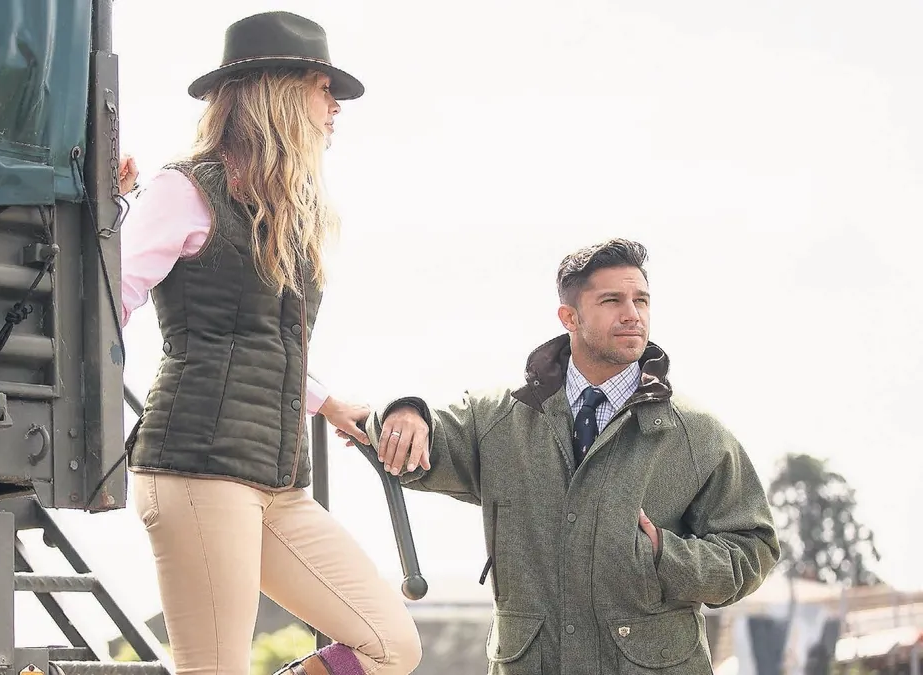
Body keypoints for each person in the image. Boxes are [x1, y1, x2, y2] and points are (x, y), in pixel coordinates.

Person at [117, 11, 422, 675]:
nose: (335, 107)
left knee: (390, 645)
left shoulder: (287, 209)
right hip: (196, 466)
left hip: (278, 477)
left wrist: (328, 402)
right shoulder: (184, 190)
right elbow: (111, 298)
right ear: (277, 91)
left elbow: (265, 337)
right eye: (323, 88)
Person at [357, 239, 780, 674]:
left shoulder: (695, 432)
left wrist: (662, 554)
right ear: (569, 317)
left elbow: (754, 549)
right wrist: (404, 412)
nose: (632, 314)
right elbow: (415, 443)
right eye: (612, 300)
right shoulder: (499, 418)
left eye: (641, 300)